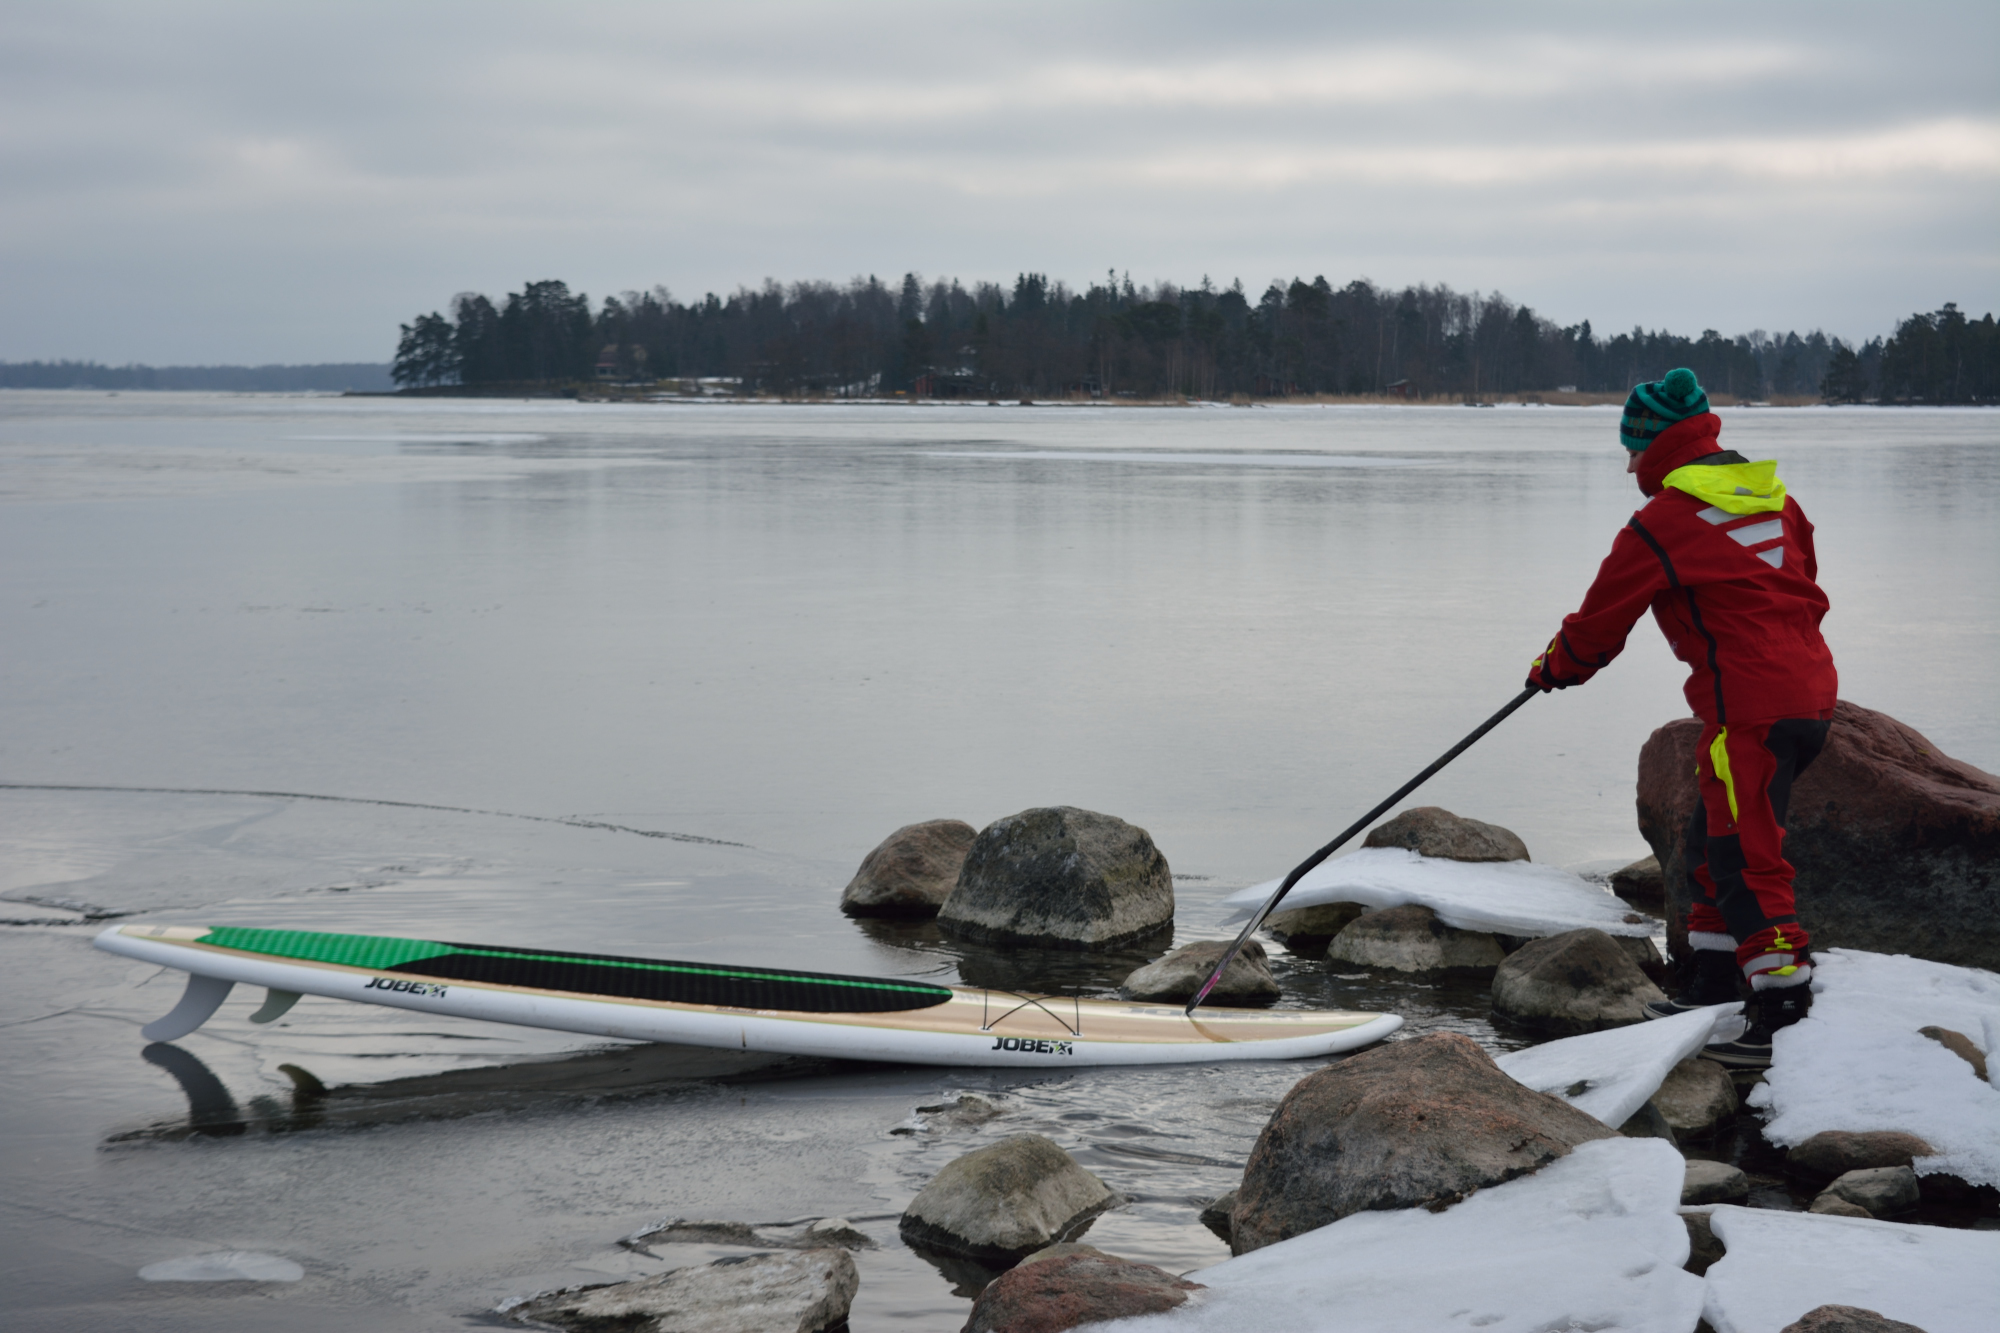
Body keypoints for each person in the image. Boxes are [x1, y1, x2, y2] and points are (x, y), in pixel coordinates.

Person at [1526, 367, 1837, 1069]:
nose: (1629, 463)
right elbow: (1803, 584)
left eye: (1633, 448)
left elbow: (1601, 618)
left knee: (1745, 858)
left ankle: (1781, 1009)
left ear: (1659, 445)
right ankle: (1711, 981)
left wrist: (1555, 667)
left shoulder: (1665, 519)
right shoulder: (1775, 498)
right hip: (1807, 696)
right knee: (1710, 837)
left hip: (1752, 710)